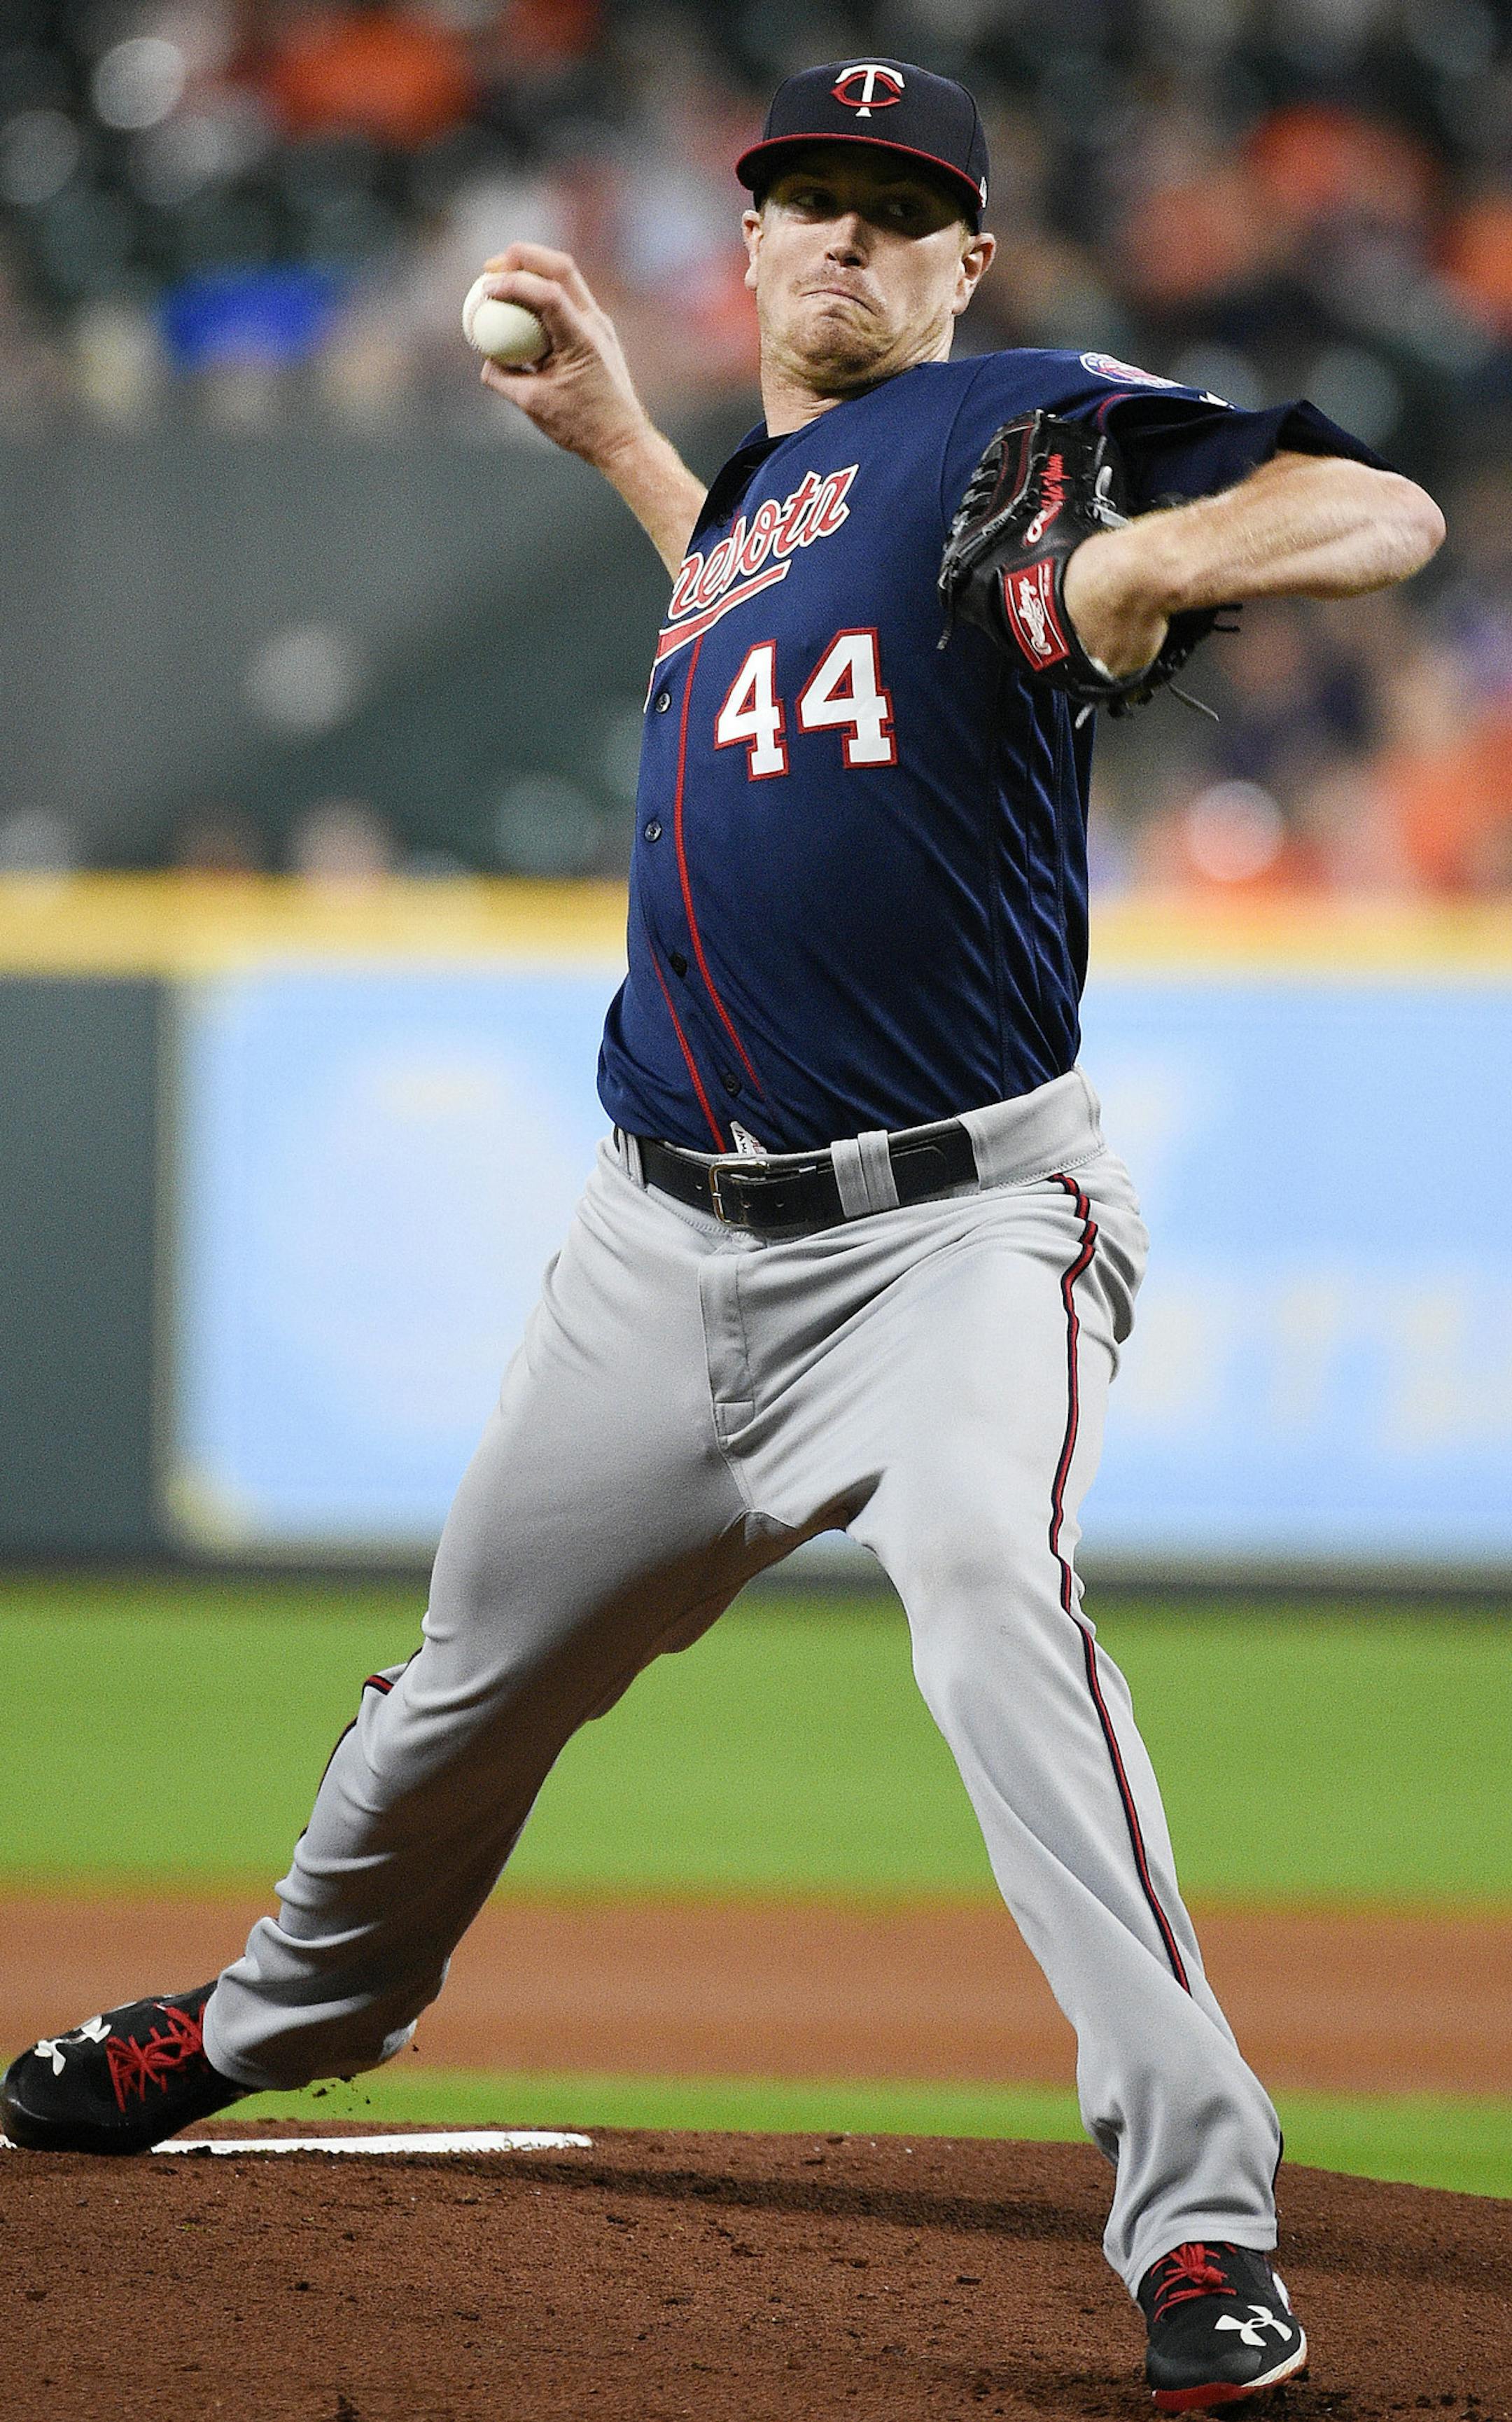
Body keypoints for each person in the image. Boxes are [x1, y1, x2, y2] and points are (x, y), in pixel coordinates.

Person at [2, 58, 1443, 2413]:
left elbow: (1372, 512)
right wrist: (623, 459)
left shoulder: (1019, 427)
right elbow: (776, 645)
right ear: (750, 244)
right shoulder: (766, 511)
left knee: (992, 1588)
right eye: (818, 204)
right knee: (470, 1675)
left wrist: (1139, 566)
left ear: (966, 260)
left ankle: (1195, 2212)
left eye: (907, 212)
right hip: (655, 1246)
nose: (856, 244)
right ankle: (262, 2019)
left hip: (958, 1230)